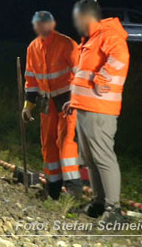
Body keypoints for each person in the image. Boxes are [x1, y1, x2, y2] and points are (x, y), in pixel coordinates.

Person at [66, 0, 129, 223]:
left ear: (86, 17)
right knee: (90, 159)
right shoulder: (91, 40)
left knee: (103, 158)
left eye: (77, 19)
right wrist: (73, 100)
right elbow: (84, 75)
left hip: (100, 109)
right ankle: (99, 202)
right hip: (85, 107)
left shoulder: (108, 35)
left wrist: (103, 77)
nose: (75, 24)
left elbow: (120, 57)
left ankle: (114, 210)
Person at [22, 11, 81, 200]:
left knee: (66, 143)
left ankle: (73, 189)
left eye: (44, 23)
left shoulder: (67, 44)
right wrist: (28, 105)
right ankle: (53, 188)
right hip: (47, 102)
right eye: (38, 24)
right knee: (48, 144)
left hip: (67, 100)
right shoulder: (33, 48)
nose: (41, 27)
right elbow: (30, 80)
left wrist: (78, 99)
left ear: (52, 25)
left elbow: (80, 74)